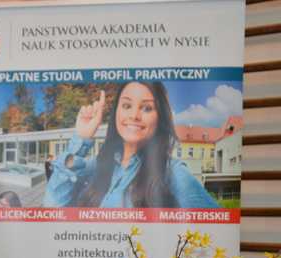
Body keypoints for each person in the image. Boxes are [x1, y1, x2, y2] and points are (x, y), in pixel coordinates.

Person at [43, 82, 219, 208]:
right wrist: (81, 138)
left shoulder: (172, 171)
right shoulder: (100, 164)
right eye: (127, 105)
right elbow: (52, 207)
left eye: (147, 108)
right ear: (117, 112)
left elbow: (212, 229)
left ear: (160, 118)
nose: (134, 115)